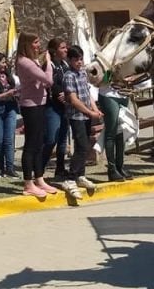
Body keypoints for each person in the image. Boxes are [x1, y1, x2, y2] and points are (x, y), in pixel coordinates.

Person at [16, 31, 58, 197]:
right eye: (35, 42)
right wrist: (48, 63)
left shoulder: (31, 60)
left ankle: (39, 178)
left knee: (39, 143)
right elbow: (48, 80)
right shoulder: (25, 62)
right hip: (31, 106)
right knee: (31, 144)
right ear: (26, 44)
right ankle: (28, 183)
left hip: (39, 103)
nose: (38, 45)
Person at [61, 45, 103, 199]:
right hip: (76, 116)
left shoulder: (82, 73)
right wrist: (89, 112)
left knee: (84, 146)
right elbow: (73, 99)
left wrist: (94, 109)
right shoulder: (69, 76)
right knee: (82, 146)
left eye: (80, 59)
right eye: (76, 60)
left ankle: (80, 175)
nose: (79, 62)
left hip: (86, 116)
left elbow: (88, 94)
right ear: (70, 60)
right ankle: (70, 178)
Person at [96, 29, 132, 182]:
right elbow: (99, 79)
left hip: (122, 94)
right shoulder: (102, 56)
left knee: (121, 132)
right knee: (111, 131)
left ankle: (120, 166)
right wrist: (112, 74)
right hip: (108, 94)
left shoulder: (123, 54)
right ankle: (111, 169)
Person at [41, 38, 70, 180]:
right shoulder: (49, 65)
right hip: (52, 107)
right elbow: (50, 82)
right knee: (51, 139)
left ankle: (60, 168)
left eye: (66, 47)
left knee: (62, 139)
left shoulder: (65, 65)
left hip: (65, 107)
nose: (65, 50)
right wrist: (60, 93)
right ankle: (40, 167)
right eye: (62, 47)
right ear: (54, 50)